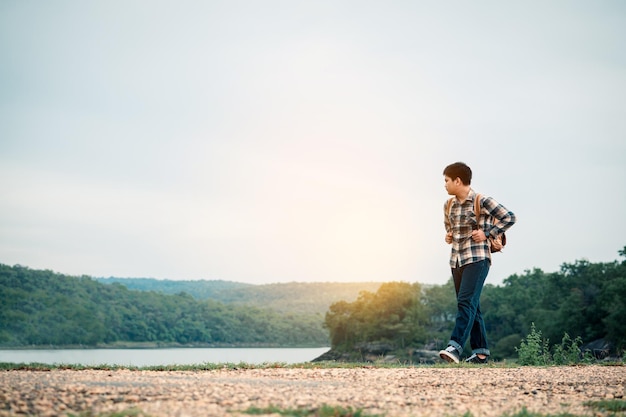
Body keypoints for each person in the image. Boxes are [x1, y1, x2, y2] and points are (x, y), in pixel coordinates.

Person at [439, 162, 516, 363]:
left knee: (466, 302)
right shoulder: (448, 205)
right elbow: (450, 229)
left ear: (458, 180)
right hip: (456, 260)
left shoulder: (482, 201)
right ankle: (481, 352)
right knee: (471, 304)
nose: (444, 185)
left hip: (478, 259)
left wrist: (488, 233)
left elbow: (509, 217)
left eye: (446, 181)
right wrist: (449, 236)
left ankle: (454, 347)